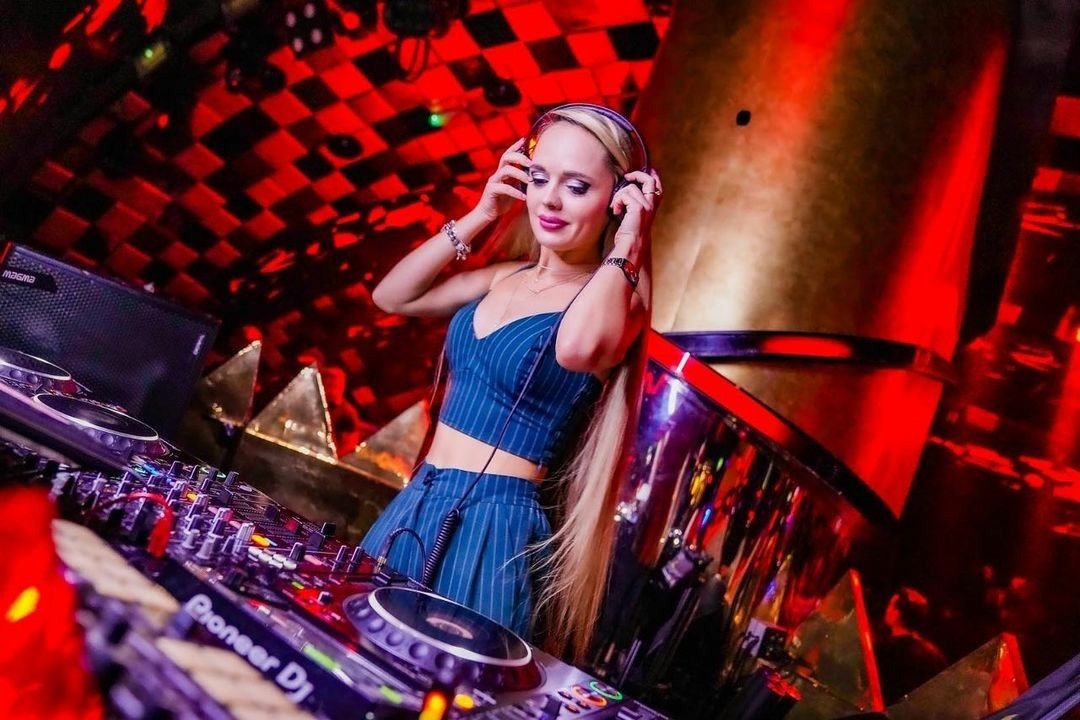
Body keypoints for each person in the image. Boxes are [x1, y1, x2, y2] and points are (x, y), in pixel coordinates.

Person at [359, 103, 662, 660]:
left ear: (618, 198)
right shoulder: (505, 276)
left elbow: (575, 350)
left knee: (450, 686)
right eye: (539, 178)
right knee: (359, 659)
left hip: (494, 523)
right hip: (420, 496)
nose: (549, 200)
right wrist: (481, 214)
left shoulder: (619, 305)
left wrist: (630, 243)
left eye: (576, 186)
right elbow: (391, 296)